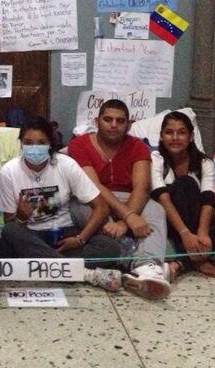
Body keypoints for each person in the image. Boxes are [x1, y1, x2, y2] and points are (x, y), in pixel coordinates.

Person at [0, 116, 122, 292]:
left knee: (111, 247)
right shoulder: (9, 171)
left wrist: (80, 239)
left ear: (50, 144)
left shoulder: (66, 165)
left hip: (64, 235)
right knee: (10, 233)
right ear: (21, 144)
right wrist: (22, 217)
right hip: (31, 236)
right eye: (28, 142)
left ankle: (45, 264)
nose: (34, 148)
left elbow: (101, 207)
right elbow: (10, 223)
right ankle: (84, 273)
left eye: (41, 142)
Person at [67, 99, 171, 300]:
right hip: (91, 199)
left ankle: (147, 267)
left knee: (156, 210)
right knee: (87, 211)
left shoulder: (138, 146)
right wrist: (129, 217)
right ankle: (134, 261)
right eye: (108, 119)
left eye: (120, 121)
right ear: (97, 121)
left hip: (129, 197)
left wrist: (124, 221)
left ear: (129, 124)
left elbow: (142, 187)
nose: (114, 125)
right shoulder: (78, 145)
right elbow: (94, 186)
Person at [150, 111, 215, 279]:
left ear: (191, 136)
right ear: (162, 136)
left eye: (182, 132)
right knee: (185, 184)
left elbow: (208, 199)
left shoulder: (204, 162)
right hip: (172, 223)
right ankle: (200, 260)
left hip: (198, 221)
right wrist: (185, 234)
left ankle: (183, 262)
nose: (175, 137)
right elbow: (162, 197)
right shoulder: (156, 159)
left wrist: (203, 232)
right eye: (169, 132)